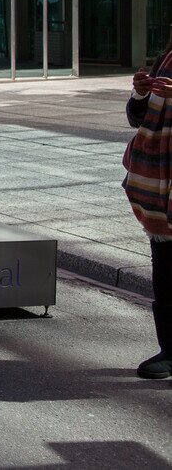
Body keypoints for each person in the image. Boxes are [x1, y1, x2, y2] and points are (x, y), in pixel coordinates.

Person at [124, 32, 172, 379]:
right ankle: (169, 349)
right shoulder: (168, 54)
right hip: (160, 183)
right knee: (167, 274)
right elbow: (137, 117)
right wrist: (142, 92)